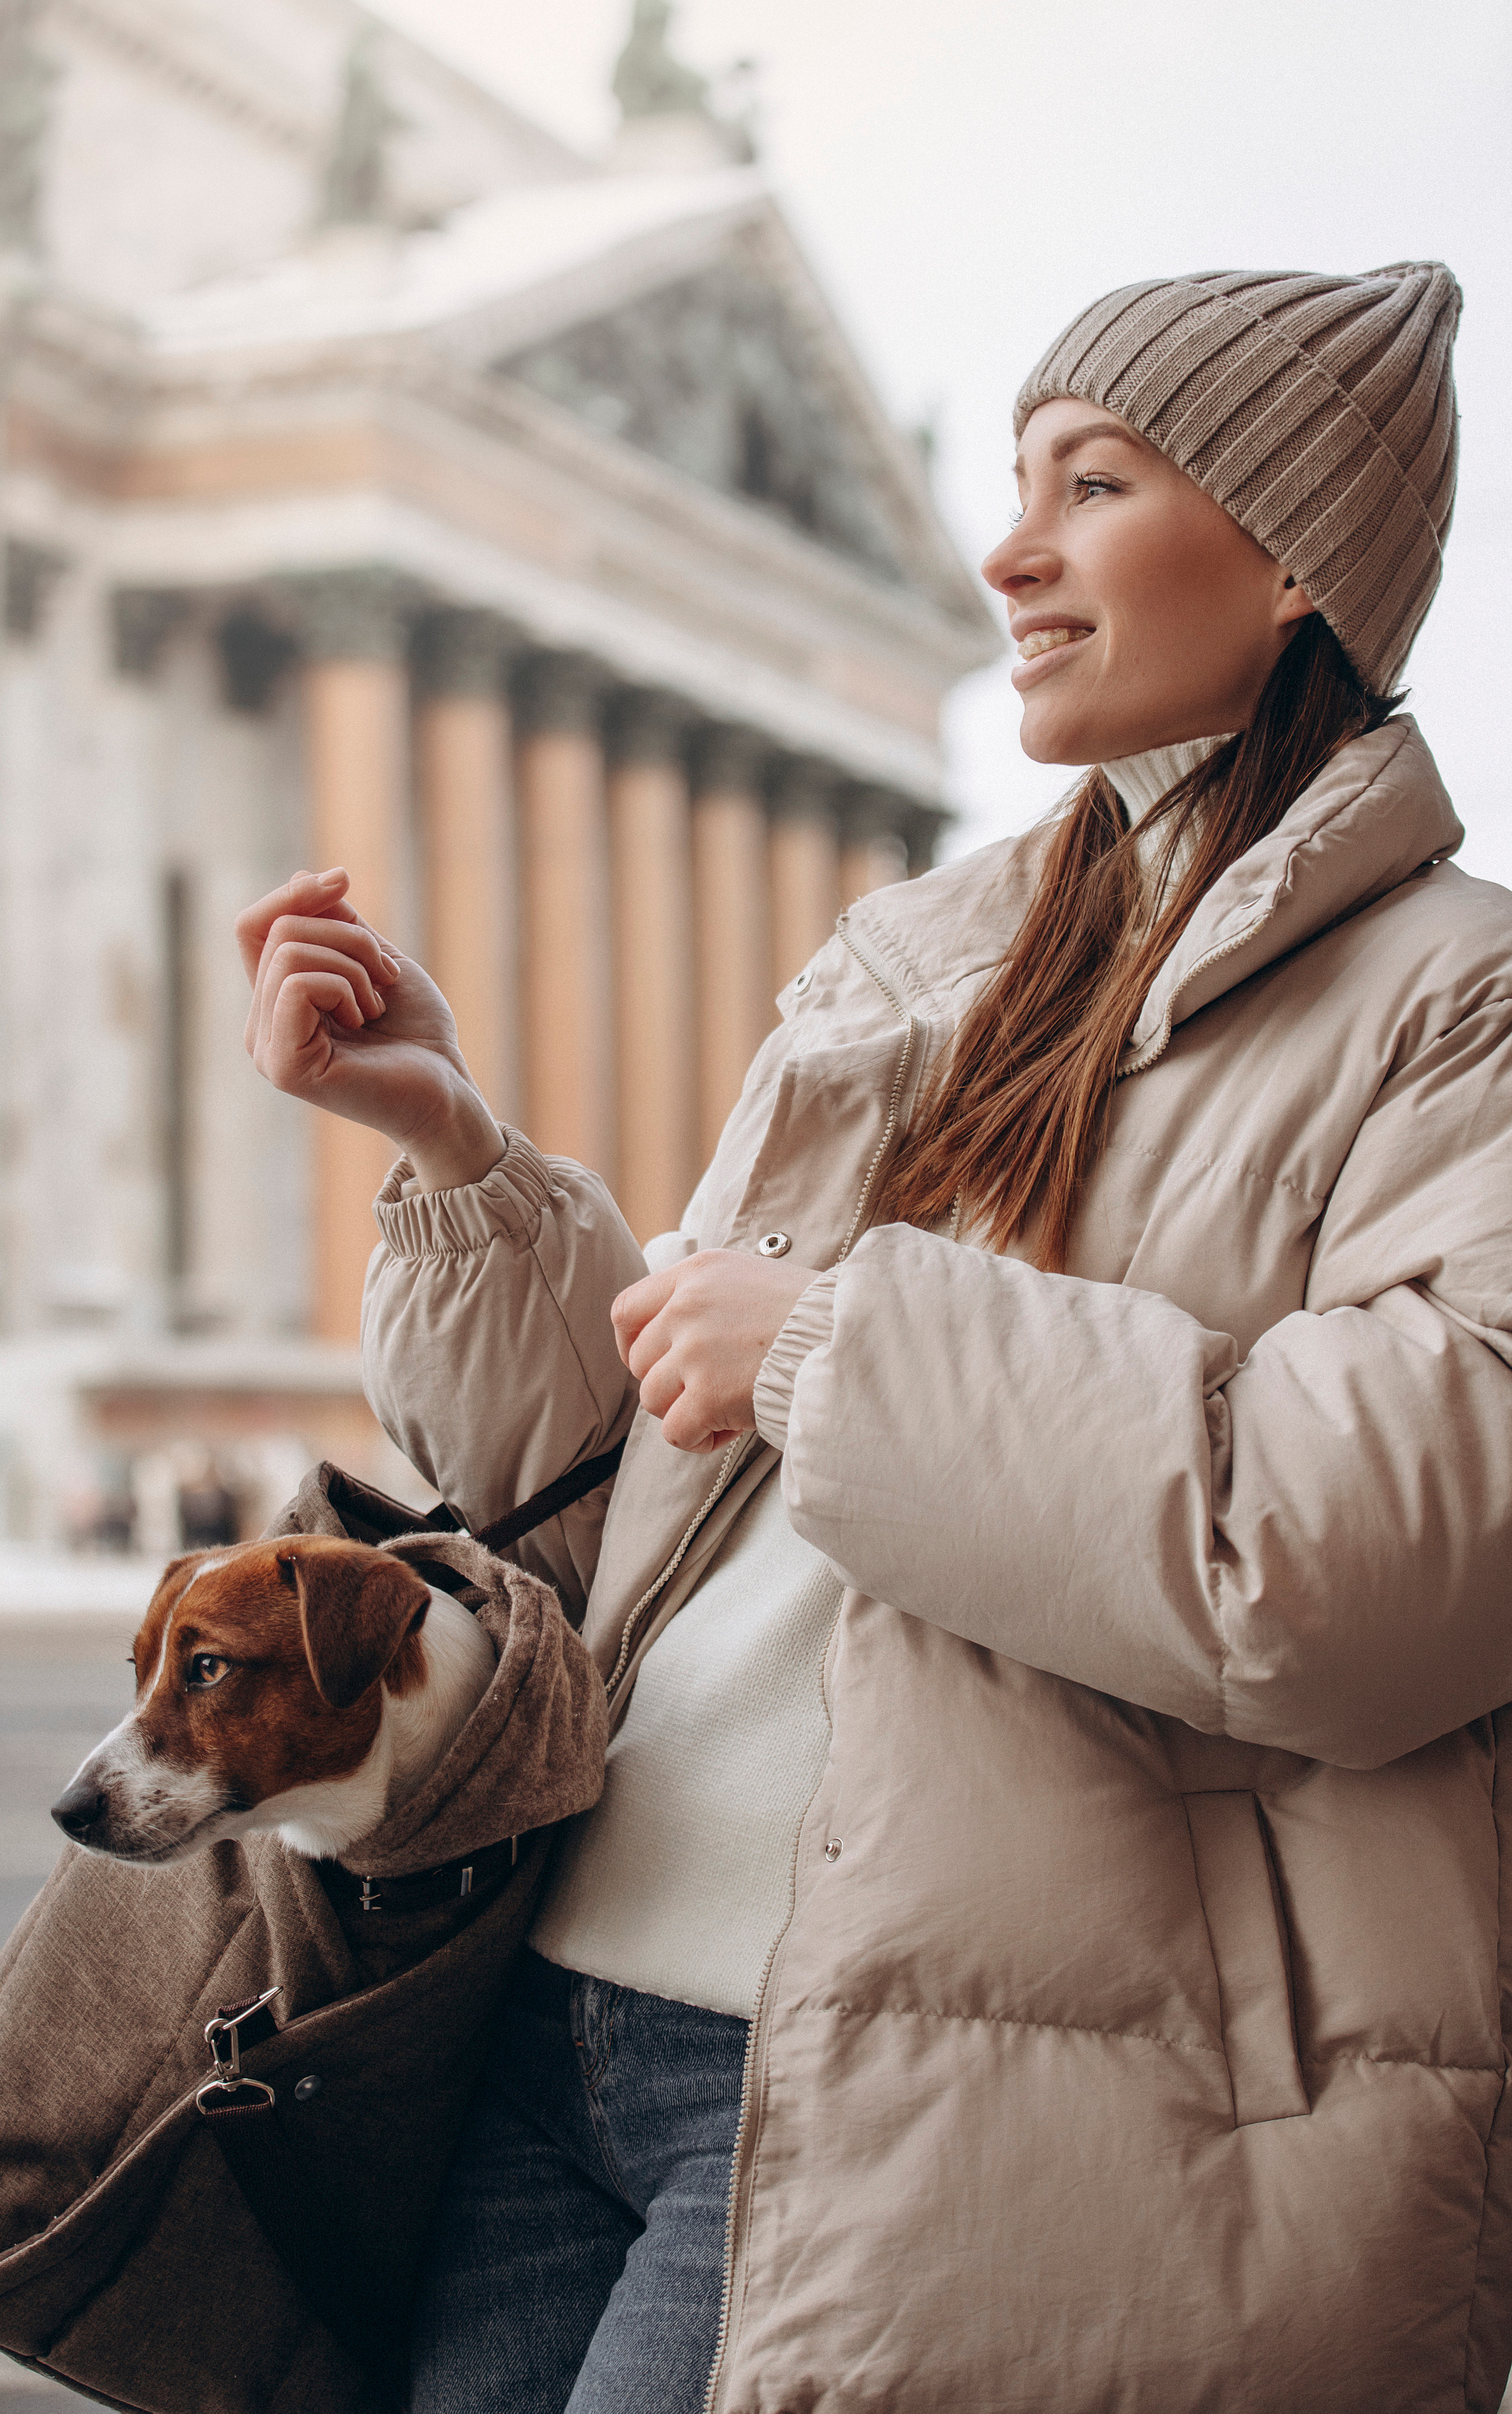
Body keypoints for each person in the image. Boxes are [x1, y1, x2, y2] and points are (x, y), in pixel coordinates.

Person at [236, 263, 1512, 2414]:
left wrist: (831, 1349)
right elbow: (643, 1476)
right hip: (567, 2013)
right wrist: (455, 1155)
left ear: (1299, 560)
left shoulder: (1452, 997)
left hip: (913, 2068)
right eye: (1015, 481)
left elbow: (1375, 1558)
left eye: (1094, 483)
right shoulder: (922, 951)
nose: (1006, 549)